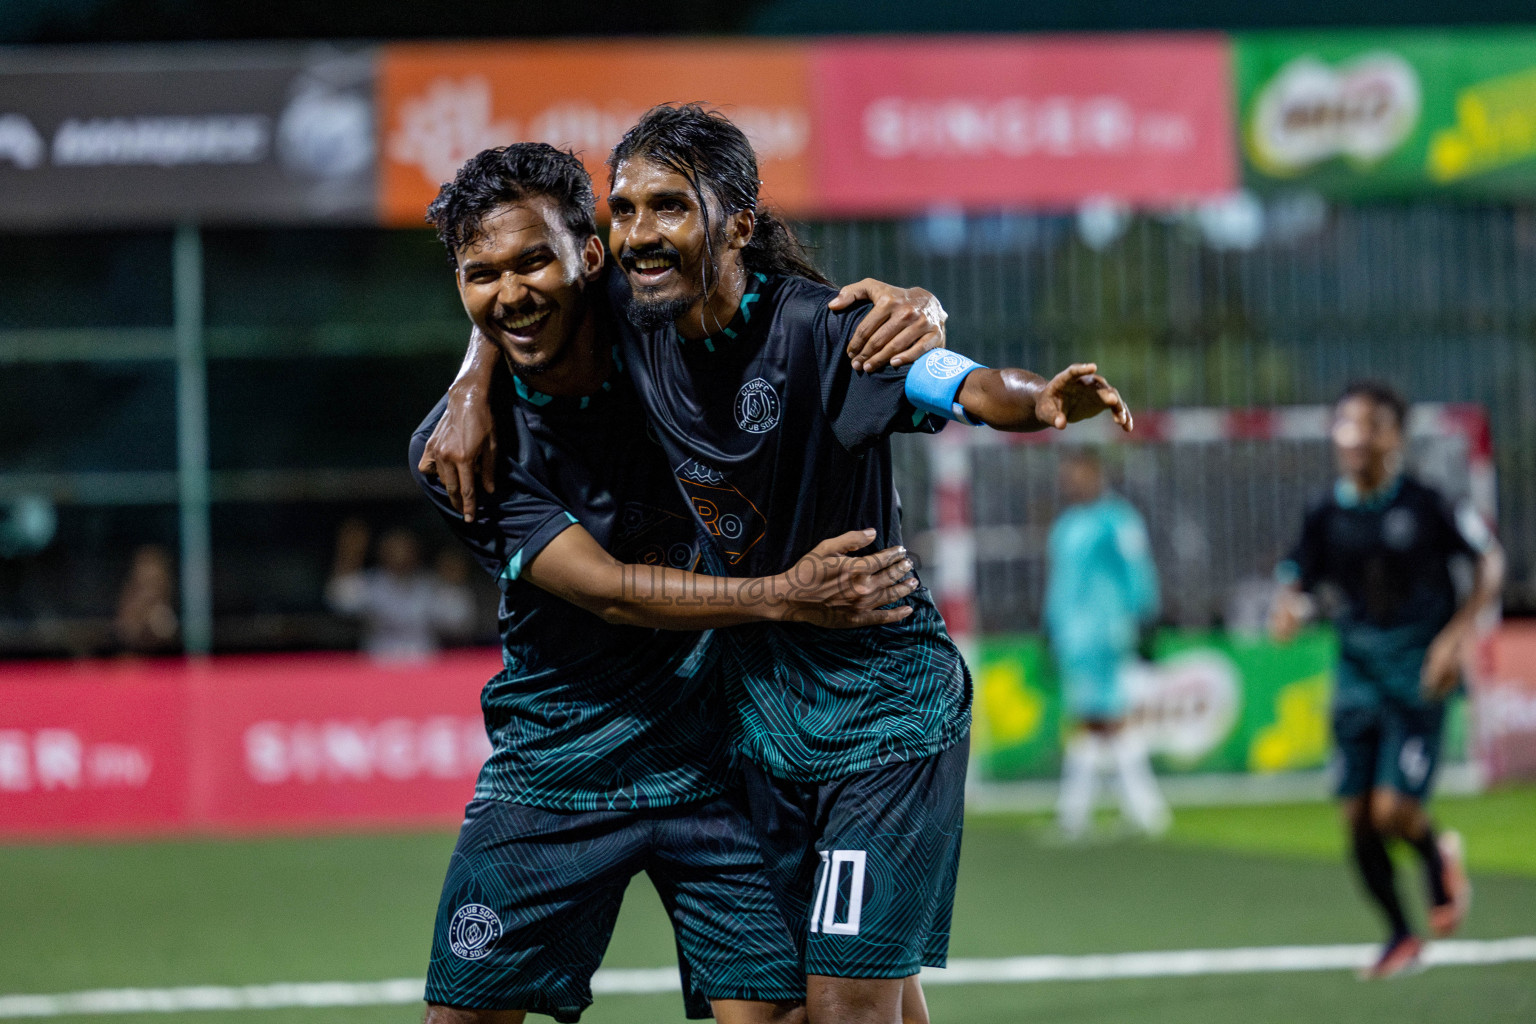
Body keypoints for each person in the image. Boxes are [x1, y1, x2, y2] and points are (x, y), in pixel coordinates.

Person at [426, 105, 1133, 1024]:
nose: (642, 231)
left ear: (738, 224)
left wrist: (1030, 397)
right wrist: (471, 375)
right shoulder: (601, 351)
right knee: (860, 996)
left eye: (669, 207)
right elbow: (528, 293)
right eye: (628, 209)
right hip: (707, 729)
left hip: (835, 716)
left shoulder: (814, 328)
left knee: (833, 1006)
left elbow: (955, 381)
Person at [412, 142, 939, 1024]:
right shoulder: (460, 450)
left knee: (826, 1006)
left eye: (537, 260)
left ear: (590, 256)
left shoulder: (662, 325)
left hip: (718, 752)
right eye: (481, 275)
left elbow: (780, 303)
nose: (511, 292)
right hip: (558, 757)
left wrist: (916, 305)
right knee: (462, 1018)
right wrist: (783, 594)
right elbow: (614, 590)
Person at [1270, 380, 1503, 980]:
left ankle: (1434, 854)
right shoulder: (1325, 511)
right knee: (1354, 819)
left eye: (1366, 424)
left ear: (1393, 435)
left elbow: (1490, 562)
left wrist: (1455, 638)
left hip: (1418, 675)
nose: (1352, 436)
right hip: (1356, 677)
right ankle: (1400, 935)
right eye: (1343, 423)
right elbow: (1297, 576)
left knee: (1392, 811)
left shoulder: (1428, 503)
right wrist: (1288, 606)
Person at [1045, 450, 1167, 840]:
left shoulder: (1118, 520)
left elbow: (1138, 571)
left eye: (1079, 473)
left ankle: (1125, 811)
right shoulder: (1064, 527)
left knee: (1105, 718)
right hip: (1072, 638)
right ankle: (1129, 811)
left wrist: (1146, 618)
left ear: (1096, 475)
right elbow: (1059, 585)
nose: (1071, 482)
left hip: (1108, 631)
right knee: (1094, 722)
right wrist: (1050, 629)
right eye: (1067, 475)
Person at [325, 519, 475, 662]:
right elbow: (340, 602)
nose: (400, 553)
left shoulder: (430, 585)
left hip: (425, 667)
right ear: (382, 550)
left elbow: (458, 620)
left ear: (416, 551)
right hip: (377, 665)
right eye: (394, 547)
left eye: (405, 547)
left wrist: (452, 582)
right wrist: (350, 554)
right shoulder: (371, 583)